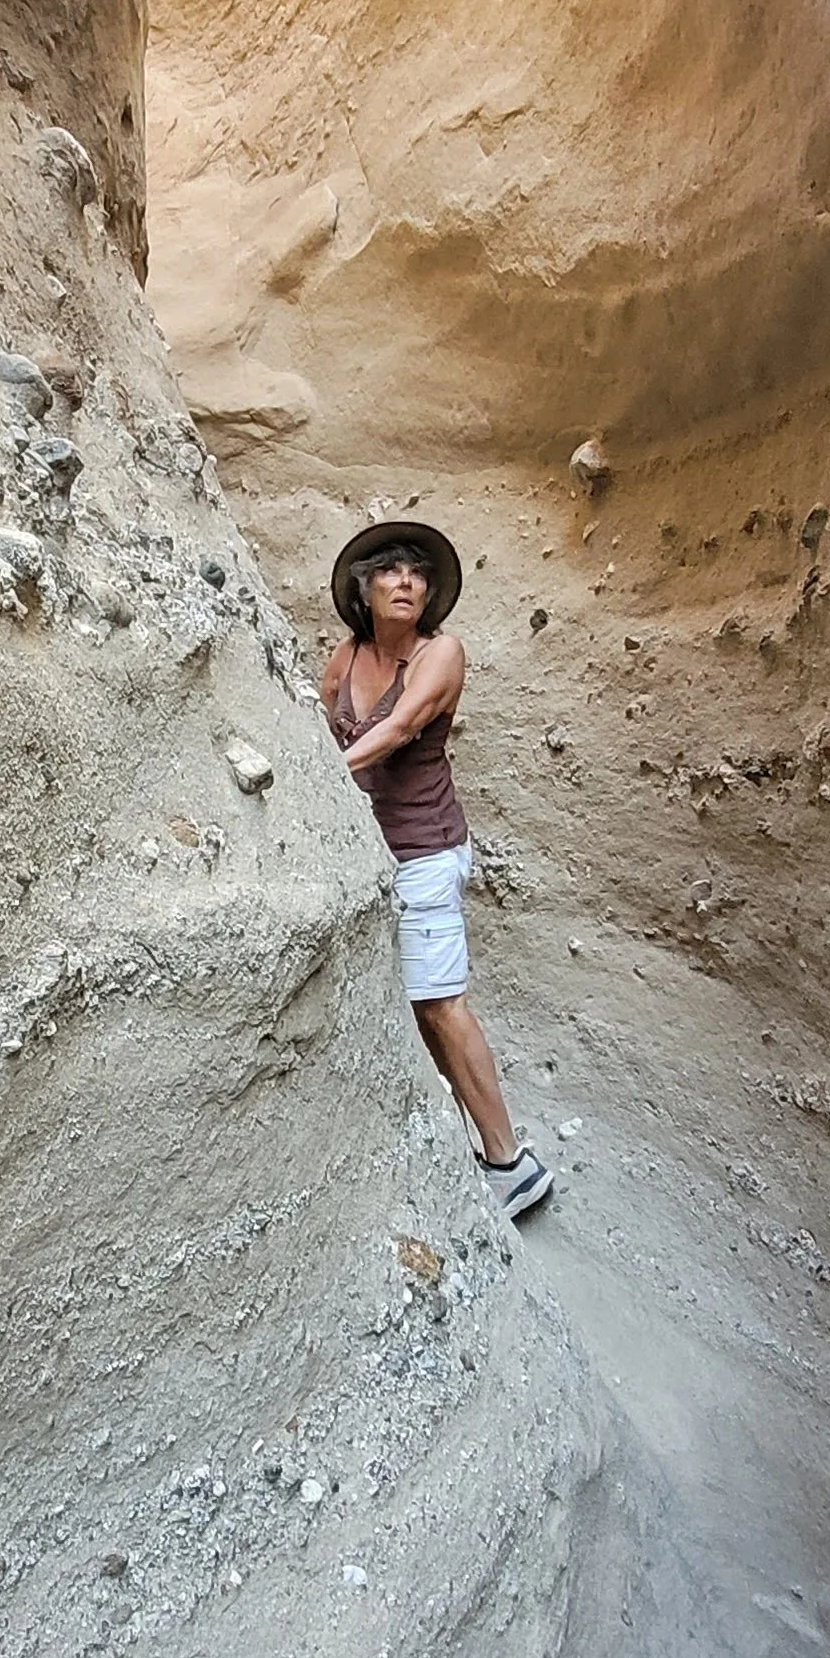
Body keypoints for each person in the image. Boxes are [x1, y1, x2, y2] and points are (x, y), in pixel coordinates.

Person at [323, 519, 551, 1220]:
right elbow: (312, 717)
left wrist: (316, 772)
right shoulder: (346, 654)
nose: (405, 583)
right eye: (389, 572)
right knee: (420, 1009)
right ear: (364, 589)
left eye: (417, 575)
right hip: (374, 852)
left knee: (440, 1005)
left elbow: (394, 730)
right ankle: (471, 1138)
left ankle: (511, 1162)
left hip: (424, 851)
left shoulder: (441, 653)